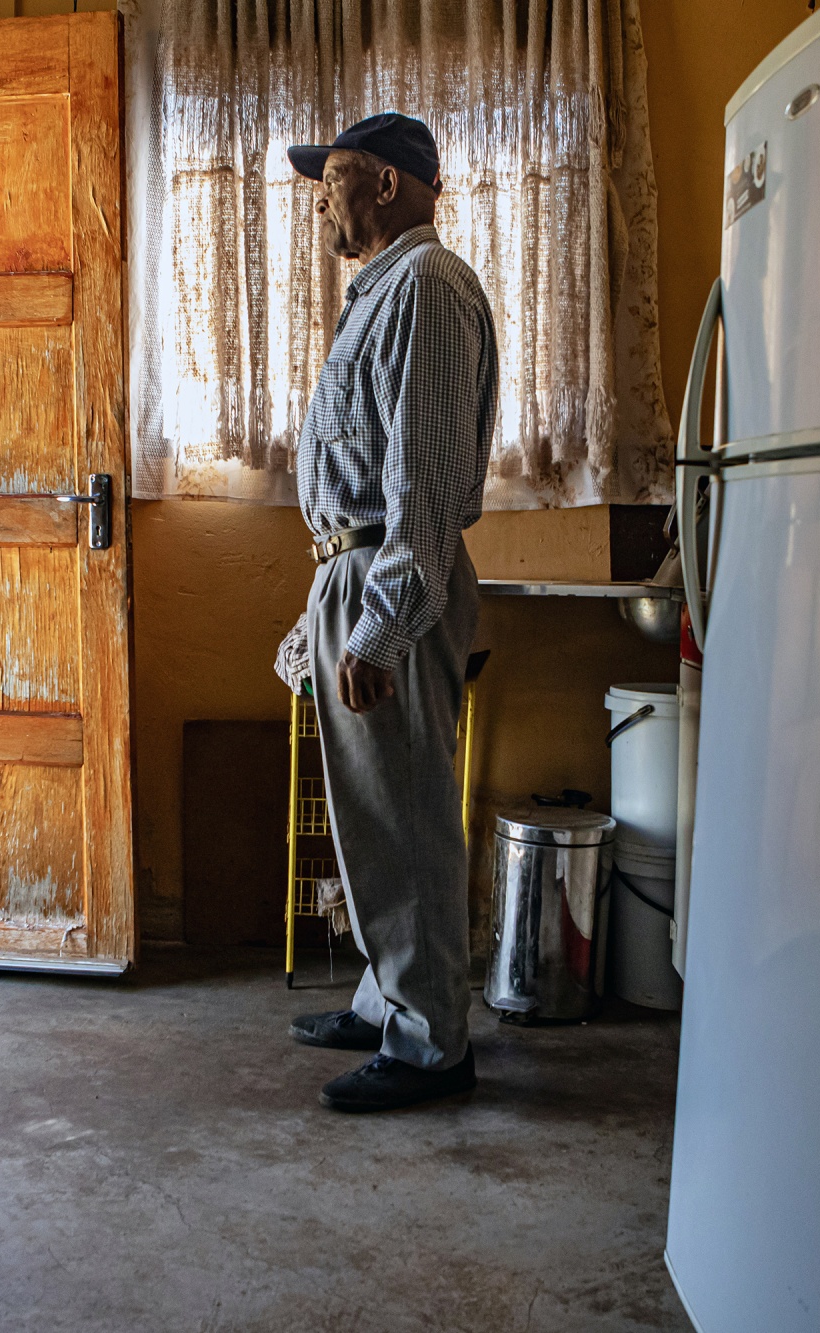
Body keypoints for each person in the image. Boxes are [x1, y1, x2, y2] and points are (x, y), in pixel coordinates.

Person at [278, 113, 499, 1113]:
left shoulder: (421, 286)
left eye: (332, 177)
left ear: (385, 184)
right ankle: (388, 997)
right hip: (356, 573)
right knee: (375, 814)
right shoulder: (377, 294)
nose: (319, 197)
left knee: (405, 816)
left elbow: (424, 478)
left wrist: (380, 623)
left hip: (387, 584)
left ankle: (429, 1048)